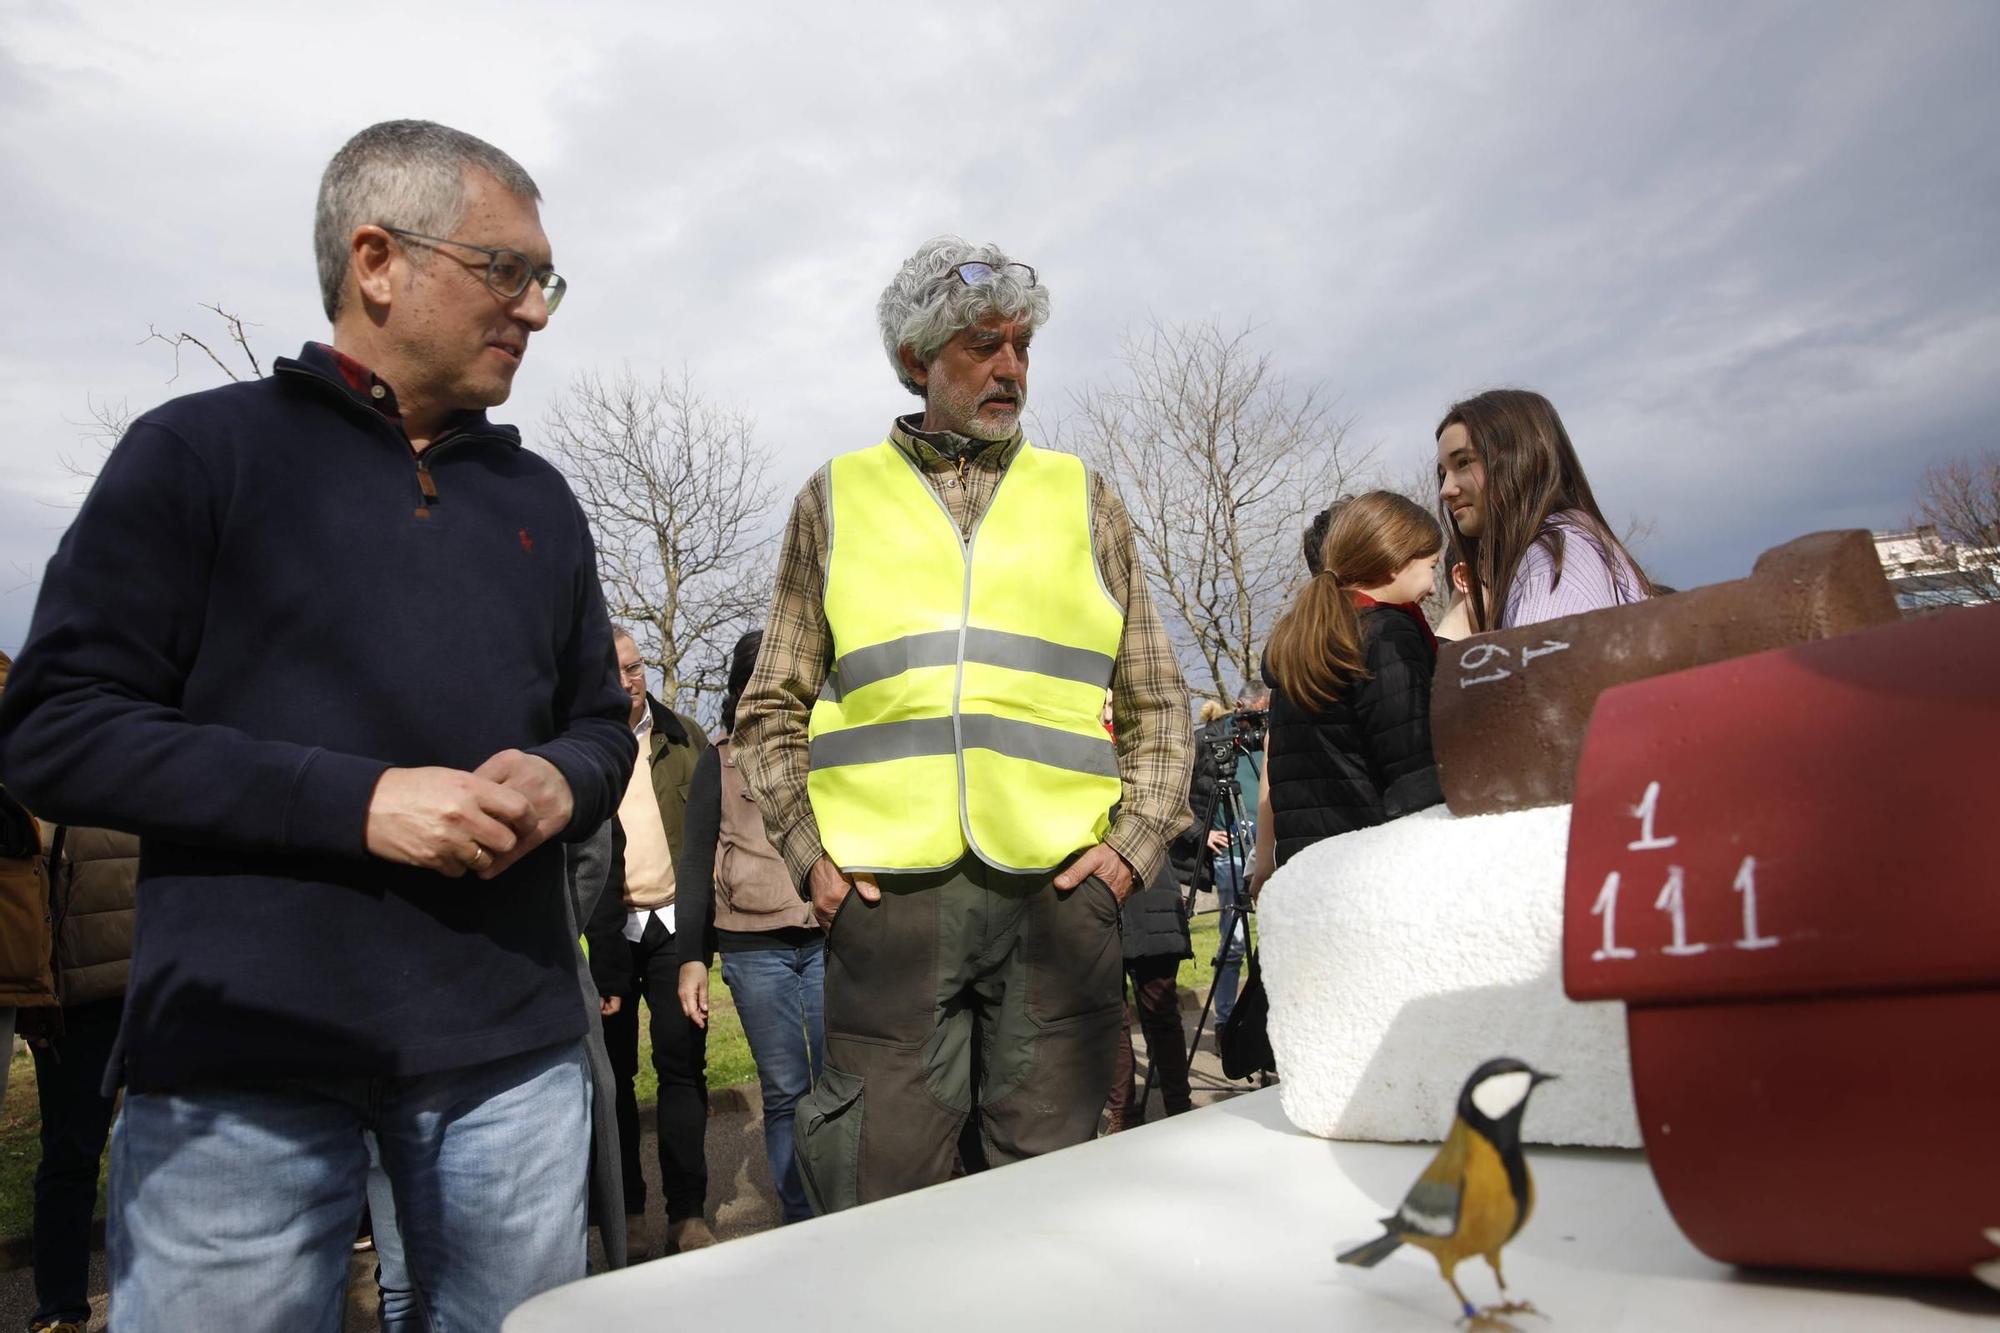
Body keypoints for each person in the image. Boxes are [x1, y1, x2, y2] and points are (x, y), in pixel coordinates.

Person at [0, 120, 633, 1331]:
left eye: (545, 279)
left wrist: (564, 780)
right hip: (241, 1068)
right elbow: (54, 727)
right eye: (506, 270)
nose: (537, 309)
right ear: (378, 259)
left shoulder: (539, 499)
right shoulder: (198, 453)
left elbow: (600, 723)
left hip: (510, 1062)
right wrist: (358, 802)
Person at [733, 234, 1193, 1212]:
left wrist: (1131, 851)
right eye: (982, 344)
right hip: (887, 907)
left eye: (1020, 344)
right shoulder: (834, 498)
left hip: (1059, 899)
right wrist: (810, 852)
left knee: (1052, 1192)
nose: (1009, 367)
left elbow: (1159, 698)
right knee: (880, 1191)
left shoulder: (1084, 497)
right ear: (915, 358)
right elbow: (768, 707)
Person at [675, 630, 826, 1225]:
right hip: (752, 946)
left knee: (835, 1082)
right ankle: (799, 1218)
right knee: (786, 1087)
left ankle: (841, 1207)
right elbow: (693, 861)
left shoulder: (824, 747)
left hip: (824, 937)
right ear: (741, 689)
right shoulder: (718, 761)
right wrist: (693, 957)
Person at [1255, 492, 1447, 875]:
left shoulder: (1303, 642)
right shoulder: (1387, 635)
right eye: (1431, 566)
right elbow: (1413, 772)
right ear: (1395, 563)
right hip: (1376, 866)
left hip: (1312, 868)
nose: (1432, 586)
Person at [602, 626, 714, 1258]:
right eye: (616, 669)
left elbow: (703, 843)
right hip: (610, 934)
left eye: (636, 666)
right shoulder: (582, 745)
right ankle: (628, 1215)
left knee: (682, 1067)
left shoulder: (685, 737)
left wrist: (700, 940)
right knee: (613, 1079)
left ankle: (687, 1214)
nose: (629, 679)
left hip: (676, 928)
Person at [19, 824, 134, 1333]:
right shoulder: (164, 778)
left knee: (69, 1159)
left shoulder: (53, 787)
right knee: (176, 1152)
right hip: (147, 993)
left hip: (81, 1002)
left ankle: (61, 1310)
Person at [1434, 389, 1651, 632]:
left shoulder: (1554, 559)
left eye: (1463, 462)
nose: (1446, 490)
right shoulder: (1565, 552)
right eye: (1443, 474)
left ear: (1525, 459)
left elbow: (1539, 668)